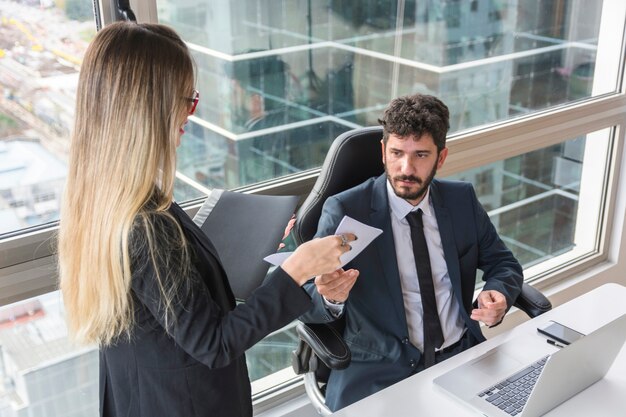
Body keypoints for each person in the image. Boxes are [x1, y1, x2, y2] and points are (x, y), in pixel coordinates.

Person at [57, 22, 356, 417]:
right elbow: (214, 343)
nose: (190, 112)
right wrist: (297, 269)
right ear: (147, 108)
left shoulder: (106, 202)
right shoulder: (146, 226)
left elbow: (175, 309)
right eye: (186, 99)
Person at [300, 93, 523, 411]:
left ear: (440, 157)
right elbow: (302, 299)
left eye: (420, 155)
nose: (406, 168)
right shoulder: (346, 211)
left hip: (461, 358)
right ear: (383, 151)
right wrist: (329, 298)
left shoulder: (461, 201)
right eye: (396, 153)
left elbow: (503, 263)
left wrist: (498, 293)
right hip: (379, 372)